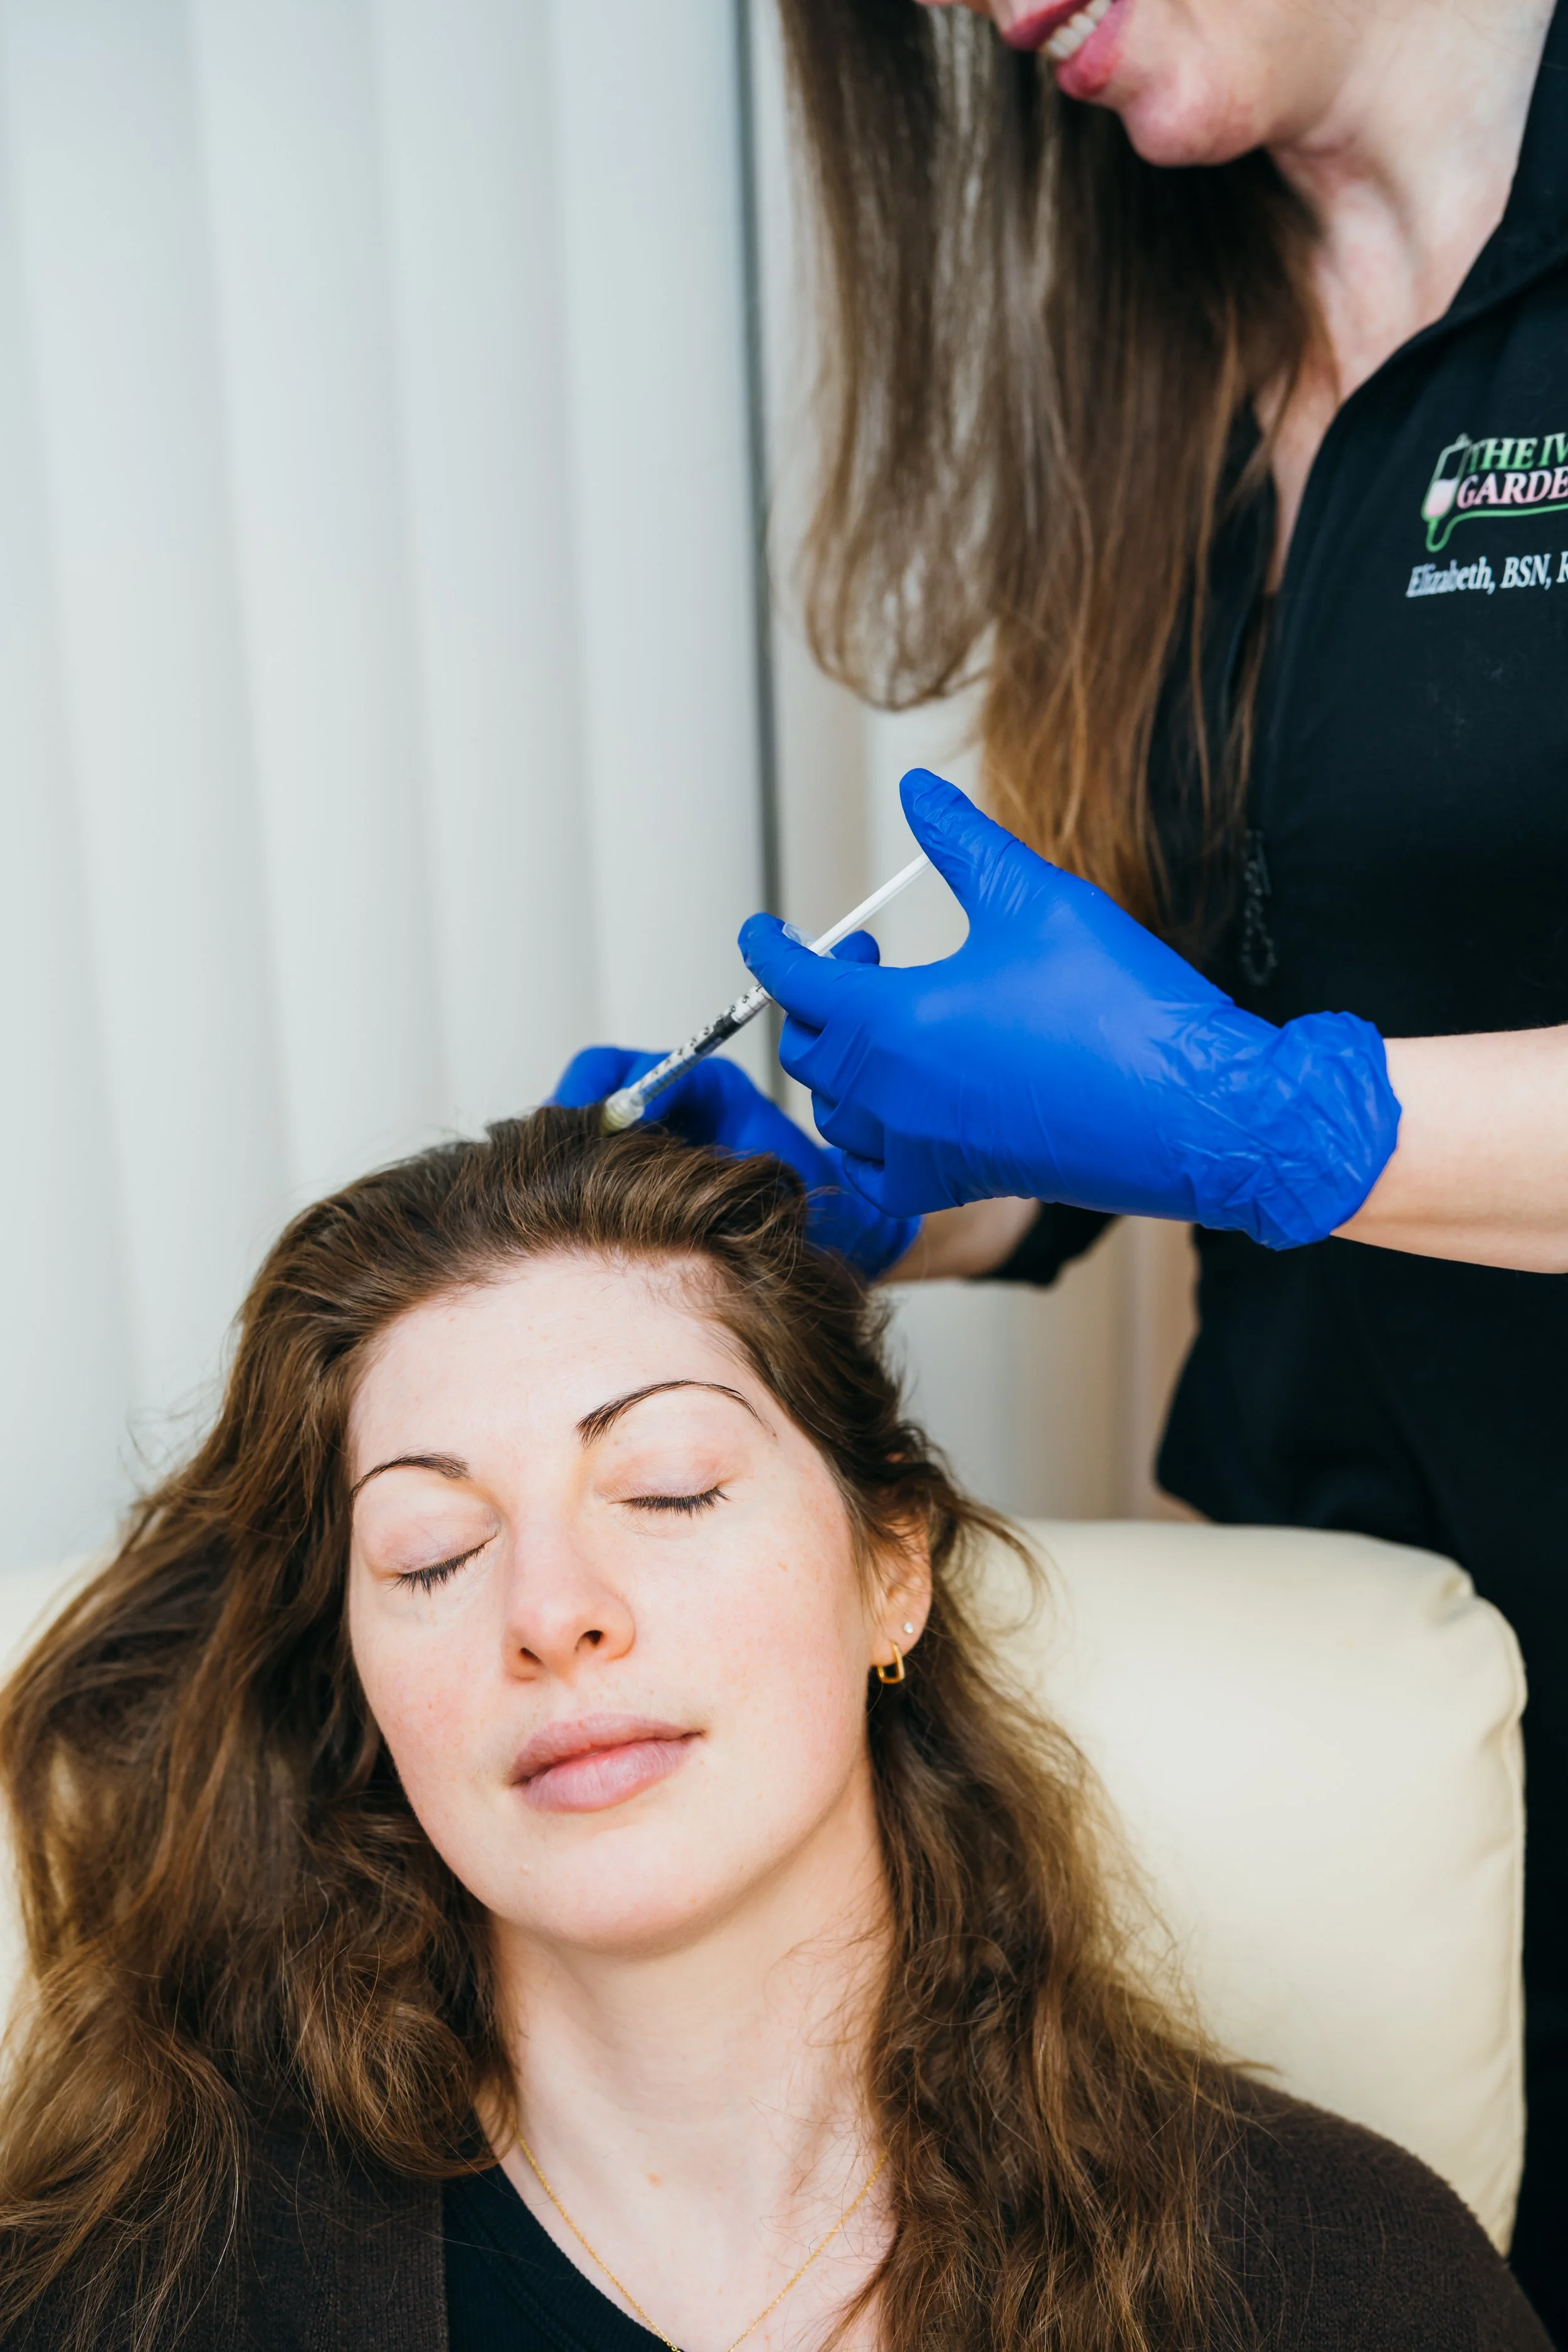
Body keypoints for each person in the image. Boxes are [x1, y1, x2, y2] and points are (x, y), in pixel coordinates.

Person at [557, 0, 1568, 2324]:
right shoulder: (1182, 354)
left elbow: (1220, 1088)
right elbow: (1163, 1047)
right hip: (1355, 1659)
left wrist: (1295, 1120)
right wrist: (902, 1177)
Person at [0, 1111, 1547, 2349]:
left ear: (890, 1574)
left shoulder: (1337, 2283)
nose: (551, 1609)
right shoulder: (123, 2296)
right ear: (361, 1691)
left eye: (668, 1488)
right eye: (430, 1554)